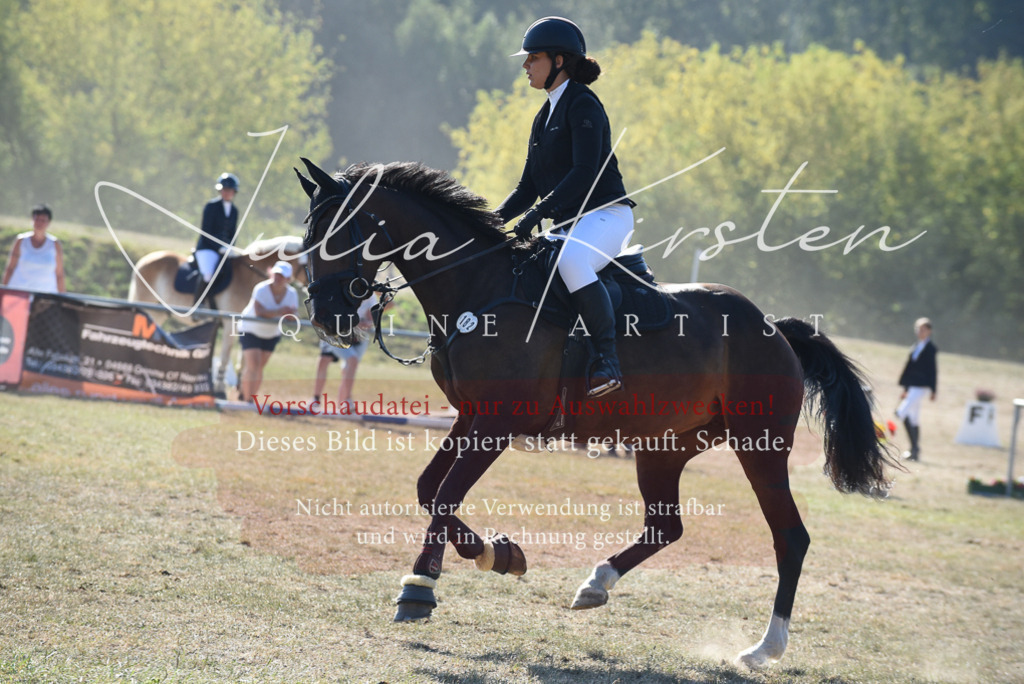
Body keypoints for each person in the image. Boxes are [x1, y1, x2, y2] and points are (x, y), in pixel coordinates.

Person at [495, 16, 636, 397]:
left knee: (571, 262)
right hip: (568, 222)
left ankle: (608, 362)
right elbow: (527, 187)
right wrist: (489, 222)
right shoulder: (544, 115)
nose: (525, 65)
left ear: (559, 61)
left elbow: (585, 172)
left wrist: (538, 215)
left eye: (533, 57)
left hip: (606, 215)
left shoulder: (583, 104)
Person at [236, 261, 299, 401]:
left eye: (282, 276)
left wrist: (289, 315)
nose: (278, 278)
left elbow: (293, 316)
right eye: (276, 274)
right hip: (250, 328)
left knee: (259, 367)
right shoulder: (261, 289)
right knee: (254, 365)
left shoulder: (292, 293)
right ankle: (247, 400)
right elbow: (259, 312)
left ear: (288, 279)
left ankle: (247, 393)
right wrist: (281, 312)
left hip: (271, 333)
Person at [312, 296, 376, 409]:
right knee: (326, 360)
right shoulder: (346, 291)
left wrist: (365, 323)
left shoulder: (371, 297)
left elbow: (370, 320)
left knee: (349, 367)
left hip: (358, 338)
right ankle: (317, 399)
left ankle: (343, 403)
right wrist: (355, 324)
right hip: (336, 334)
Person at [194, 172, 240, 307]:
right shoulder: (211, 206)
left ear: (234, 192)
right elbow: (206, 231)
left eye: (229, 190)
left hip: (224, 250)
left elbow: (232, 233)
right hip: (207, 248)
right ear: (220, 190)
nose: (226, 193)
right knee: (208, 274)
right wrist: (219, 247)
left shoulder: (234, 210)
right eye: (224, 190)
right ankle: (198, 305)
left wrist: (231, 247)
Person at [896, 317, 938, 461]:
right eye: (918, 329)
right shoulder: (916, 346)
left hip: (921, 387)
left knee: (901, 412)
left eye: (923, 329)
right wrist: (906, 388)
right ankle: (914, 452)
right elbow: (910, 370)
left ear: (929, 331)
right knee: (913, 419)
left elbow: (933, 370)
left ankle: (915, 448)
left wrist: (933, 389)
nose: (920, 332)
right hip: (912, 386)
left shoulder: (930, 349)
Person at [2, 204, 66, 293]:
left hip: (45, 298)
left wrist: (62, 299)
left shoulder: (55, 244)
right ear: (32, 220)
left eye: (43, 220)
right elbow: (10, 268)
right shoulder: (21, 241)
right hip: (20, 295)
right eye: (37, 219)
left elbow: (59, 274)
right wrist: (3, 292)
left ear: (48, 222)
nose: (39, 223)